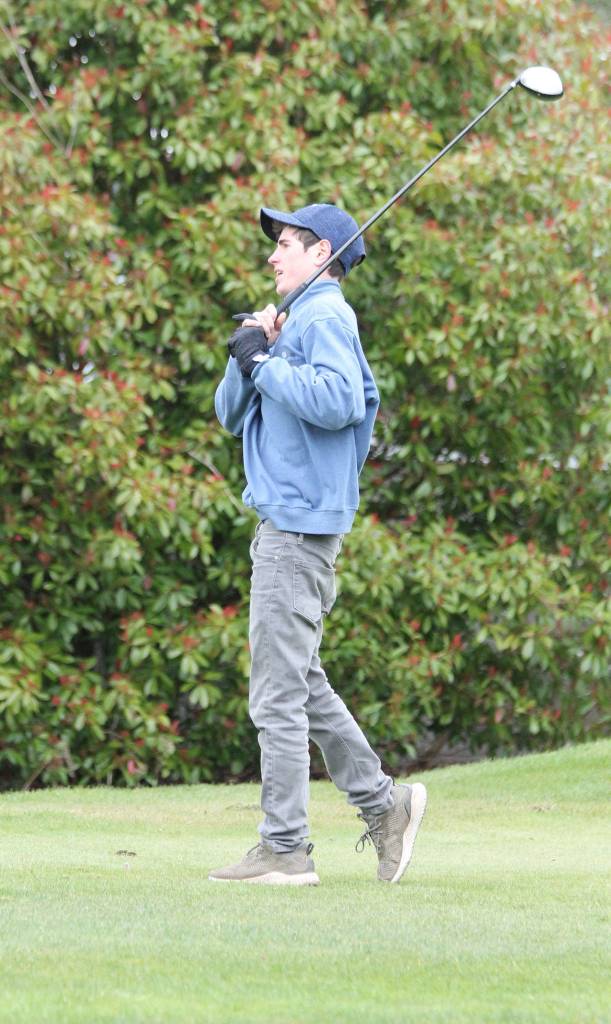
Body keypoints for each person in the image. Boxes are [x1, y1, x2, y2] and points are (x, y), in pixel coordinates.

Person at [210, 203, 427, 885]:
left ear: (321, 253)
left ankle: (285, 847)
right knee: (299, 680)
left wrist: (266, 363)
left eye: (285, 244)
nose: (272, 256)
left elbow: (338, 402)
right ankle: (384, 805)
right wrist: (249, 352)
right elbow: (229, 416)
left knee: (276, 695)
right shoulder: (293, 320)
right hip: (290, 520)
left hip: (298, 526)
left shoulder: (325, 315)